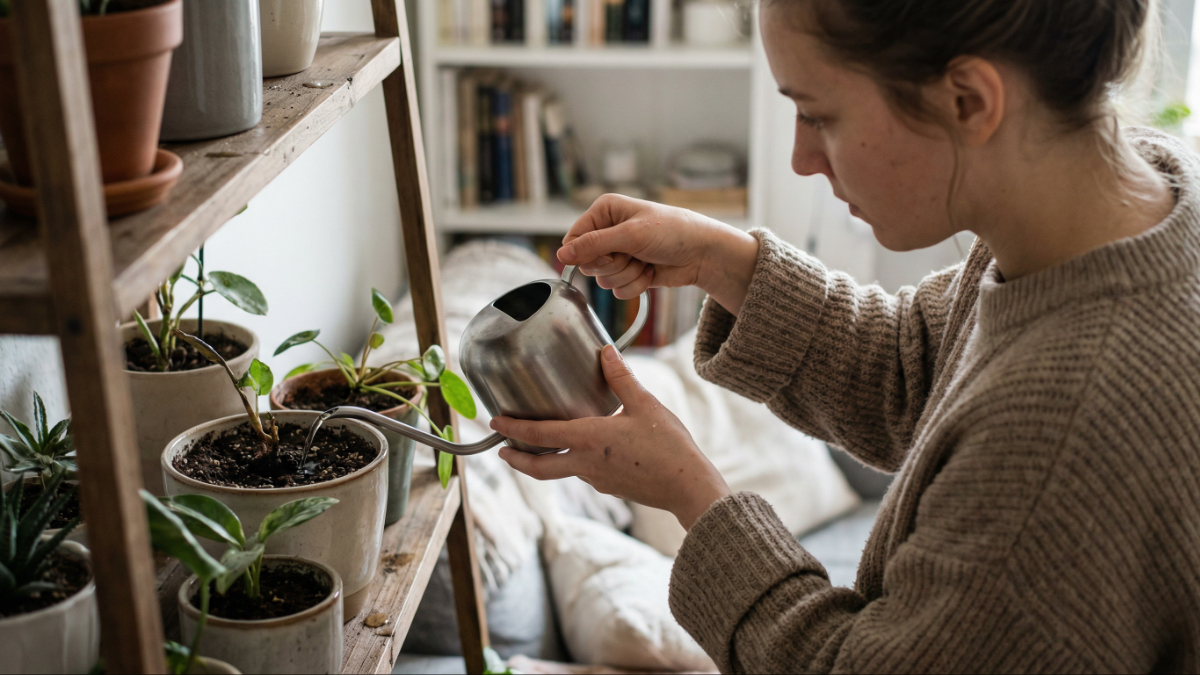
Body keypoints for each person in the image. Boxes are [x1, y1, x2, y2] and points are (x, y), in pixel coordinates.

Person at [492, 0, 1200, 671]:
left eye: (818, 115)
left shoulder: (1066, 430)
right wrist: (721, 259)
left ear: (969, 102)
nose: (803, 158)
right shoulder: (1122, 203)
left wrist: (691, 495)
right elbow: (918, 373)